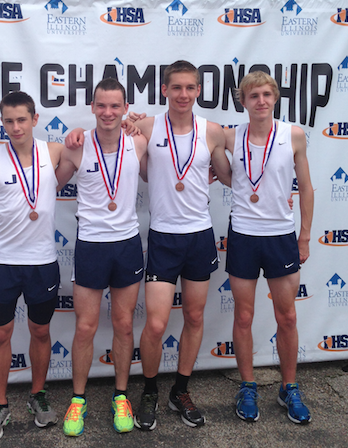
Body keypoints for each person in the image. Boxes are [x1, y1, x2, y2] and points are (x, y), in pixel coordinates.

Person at [66, 61, 225, 430]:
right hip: (159, 237)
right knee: (152, 325)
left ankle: (179, 391)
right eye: (176, 87)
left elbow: (241, 164)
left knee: (194, 317)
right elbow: (50, 177)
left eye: (190, 87)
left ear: (198, 90)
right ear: (165, 90)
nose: (183, 94)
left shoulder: (212, 132)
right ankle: (146, 391)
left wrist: (275, 193)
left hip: (200, 234)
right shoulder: (145, 129)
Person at [212, 71, 314, 424]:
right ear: (243, 101)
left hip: (281, 236)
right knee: (243, 316)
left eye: (267, 94)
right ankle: (248, 385)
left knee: (287, 316)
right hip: (243, 234)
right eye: (254, 95)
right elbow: (188, 132)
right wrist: (133, 121)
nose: (261, 101)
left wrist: (304, 236)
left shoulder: (293, 135)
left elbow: (308, 188)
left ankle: (289, 387)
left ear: (275, 98)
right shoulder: (229, 135)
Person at [0, 91, 63, 442]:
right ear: (2, 123)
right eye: (8, 121)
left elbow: (97, 145)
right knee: (0, 335)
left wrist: (131, 125)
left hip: (42, 264)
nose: (15, 127)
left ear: (35, 119)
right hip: (3, 264)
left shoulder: (53, 152)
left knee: (39, 332)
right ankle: (0, 403)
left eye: (22, 119)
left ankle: (37, 395)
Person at [55, 78, 148, 436]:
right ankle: (78, 400)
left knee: (124, 325)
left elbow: (167, 169)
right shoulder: (77, 148)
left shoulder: (137, 142)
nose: (108, 112)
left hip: (126, 244)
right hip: (91, 245)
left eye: (115, 106)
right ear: (93, 108)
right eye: (101, 105)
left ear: (125, 109)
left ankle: (120, 396)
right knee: (86, 327)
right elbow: (50, 185)